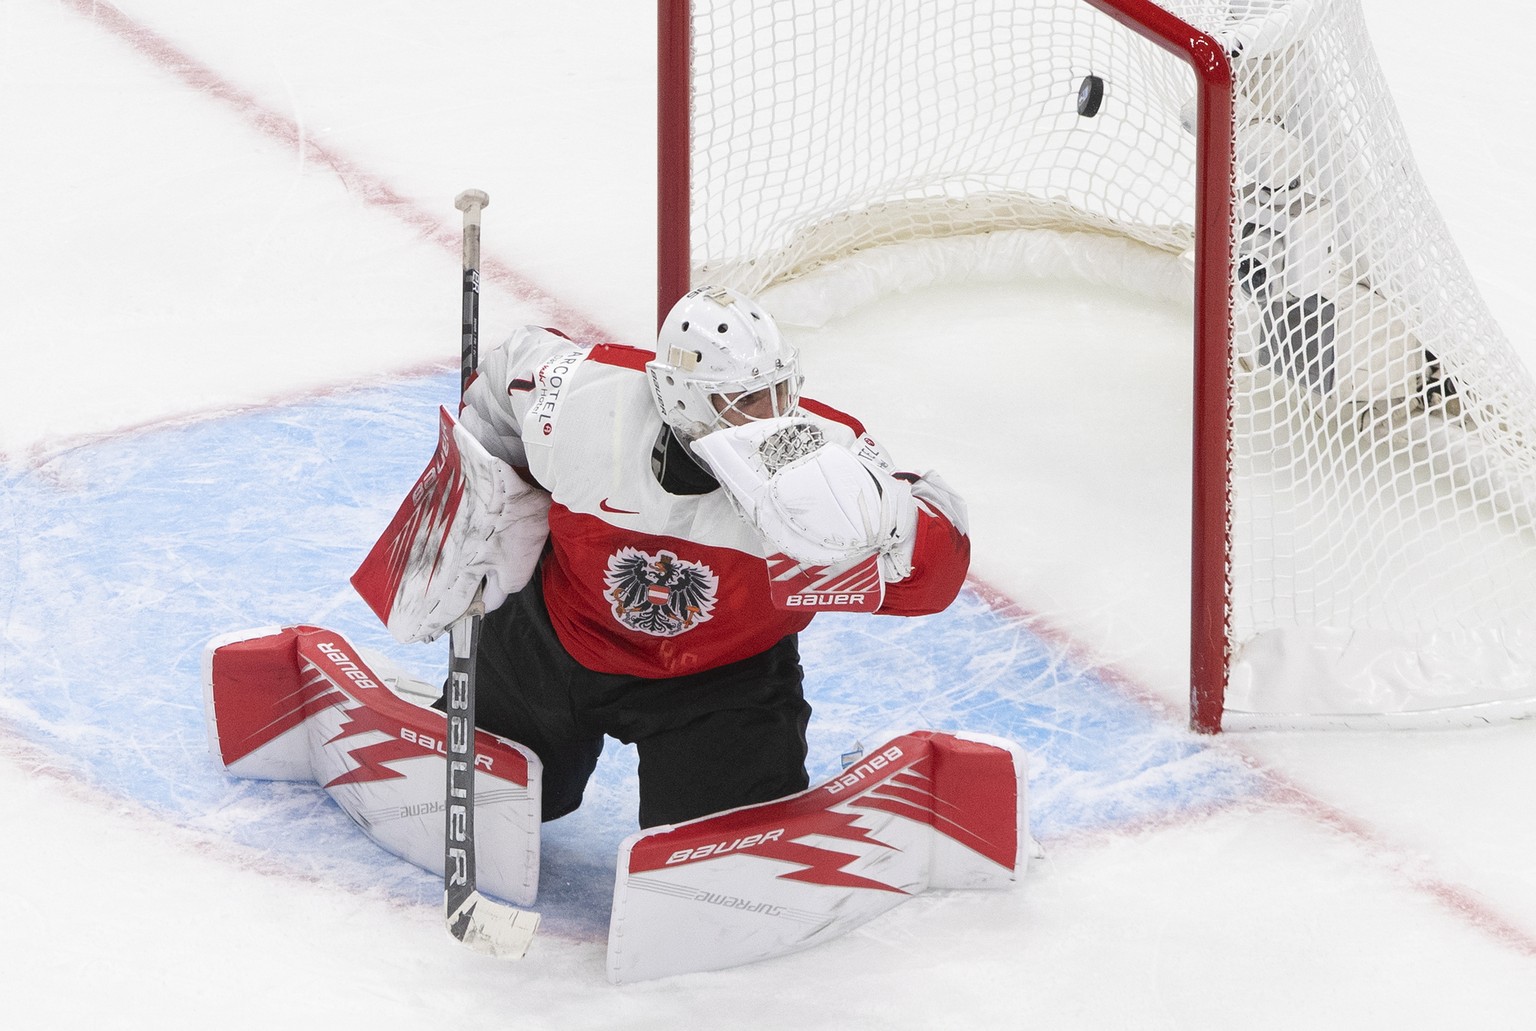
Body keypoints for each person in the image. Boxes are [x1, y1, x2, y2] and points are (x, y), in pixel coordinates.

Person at [453, 284, 972, 828]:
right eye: (747, 400)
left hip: (725, 680)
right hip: (557, 638)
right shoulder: (584, 395)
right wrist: (485, 504)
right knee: (505, 803)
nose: (774, 416)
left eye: (779, 391)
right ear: (682, 396)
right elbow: (504, 379)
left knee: (714, 847)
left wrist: (887, 519)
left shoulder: (831, 454)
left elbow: (934, 584)